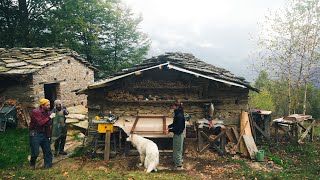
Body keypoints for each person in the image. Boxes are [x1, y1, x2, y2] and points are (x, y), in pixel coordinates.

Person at [29, 98, 54, 169]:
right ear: (42, 105)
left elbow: (48, 124)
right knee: (35, 152)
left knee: (47, 151)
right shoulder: (35, 112)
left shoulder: (48, 112)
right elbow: (40, 123)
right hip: (35, 133)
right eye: (47, 105)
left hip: (44, 133)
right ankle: (32, 164)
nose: (49, 106)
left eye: (49, 105)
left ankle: (48, 166)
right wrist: (49, 118)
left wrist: (49, 135)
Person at [166, 99, 185, 170]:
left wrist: (170, 130)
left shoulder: (179, 115)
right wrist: (169, 126)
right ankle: (179, 161)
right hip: (179, 133)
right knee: (179, 149)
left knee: (177, 149)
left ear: (176, 106)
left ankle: (178, 166)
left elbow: (178, 127)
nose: (172, 107)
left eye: (173, 106)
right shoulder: (178, 113)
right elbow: (175, 123)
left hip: (178, 134)